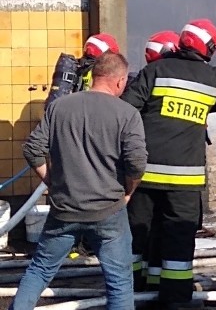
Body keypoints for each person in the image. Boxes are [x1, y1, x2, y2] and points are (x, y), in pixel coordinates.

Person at [11, 52, 147, 310]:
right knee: (119, 283)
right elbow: (137, 163)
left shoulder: (60, 107)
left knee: (39, 271)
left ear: (94, 76)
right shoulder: (127, 114)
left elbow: (32, 149)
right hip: (109, 211)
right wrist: (129, 191)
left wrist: (52, 182)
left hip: (65, 210)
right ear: (119, 82)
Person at [122, 18, 216, 309]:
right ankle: (174, 299)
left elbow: (125, 109)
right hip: (184, 181)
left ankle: (132, 293)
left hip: (144, 175)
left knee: (138, 234)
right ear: (210, 48)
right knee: (177, 238)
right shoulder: (213, 79)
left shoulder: (155, 70)